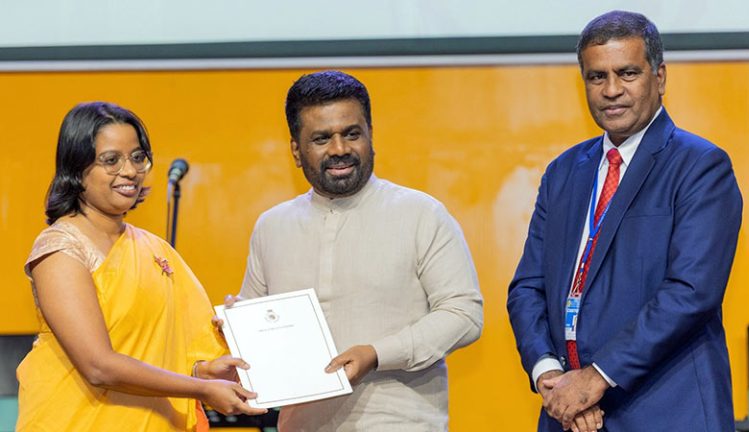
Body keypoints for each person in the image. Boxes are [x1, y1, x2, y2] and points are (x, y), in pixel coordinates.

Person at [507, 10, 742, 432]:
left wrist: (596, 378)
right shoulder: (564, 172)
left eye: (628, 73)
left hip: (667, 412)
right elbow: (528, 286)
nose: (611, 90)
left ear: (660, 78)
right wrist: (549, 376)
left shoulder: (700, 166)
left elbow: (691, 292)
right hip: (570, 414)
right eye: (597, 77)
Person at [235, 70, 483, 431]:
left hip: (400, 422)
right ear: (296, 149)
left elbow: (464, 315)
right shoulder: (272, 227)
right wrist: (237, 325)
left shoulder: (420, 214)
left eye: (352, 134)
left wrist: (377, 354)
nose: (339, 149)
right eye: (321, 138)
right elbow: (259, 329)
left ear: (370, 136)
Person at [17, 102, 266, 431]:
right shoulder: (61, 248)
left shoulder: (155, 250)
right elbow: (98, 366)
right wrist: (201, 388)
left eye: (137, 157)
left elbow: (163, 356)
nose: (130, 171)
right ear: (77, 170)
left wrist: (203, 373)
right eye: (111, 160)